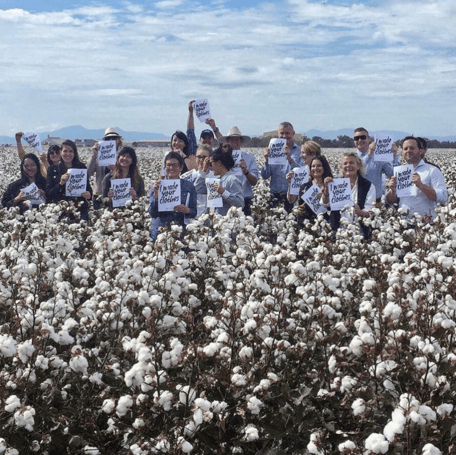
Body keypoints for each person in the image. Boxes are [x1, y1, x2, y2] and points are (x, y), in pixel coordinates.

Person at [386, 136, 448, 222]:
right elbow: (391, 201)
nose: (408, 151)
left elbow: (443, 197)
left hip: (425, 224)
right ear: (402, 152)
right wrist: (393, 191)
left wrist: (421, 185)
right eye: (405, 149)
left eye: (412, 148)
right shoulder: (400, 171)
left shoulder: (432, 170)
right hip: (403, 223)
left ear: (420, 150)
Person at [323, 151, 376, 239]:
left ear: (358, 166)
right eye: (345, 163)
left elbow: (371, 210)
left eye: (351, 163)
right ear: (341, 167)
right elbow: (325, 205)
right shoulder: (334, 184)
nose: (348, 166)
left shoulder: (368, 186)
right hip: (337, 232)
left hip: (359, 234)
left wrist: (361, 212)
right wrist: (326, 191)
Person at [149, 152, 197, 241]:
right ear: (164, 167)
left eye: (175, 165)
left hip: (180, 233)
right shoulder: (157, 186)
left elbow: (194, 211)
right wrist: (156, 197)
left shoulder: (189, 187)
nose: (171, 168)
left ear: (181, 168)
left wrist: (187, 210)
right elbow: (152, 213)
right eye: (168, 165)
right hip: (160, 233)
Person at [261, 122, 303, 212]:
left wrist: (289, 158)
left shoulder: (300, 151)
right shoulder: (272, 151)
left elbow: (302, 174)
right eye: (282, 133)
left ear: (293, 134)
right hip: (274, 196)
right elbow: (265, 176)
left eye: (287, 133)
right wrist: (266, 160)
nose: (284, 136)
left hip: (293, 197)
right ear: (278, 134)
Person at [46, 140, 92, 221]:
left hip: (79, 207)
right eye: (65, 151)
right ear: (60, 153)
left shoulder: (81, 168)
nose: (68, 154)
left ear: (74, 153)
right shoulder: (52, 170)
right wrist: (60, 184)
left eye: (71, 151)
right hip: (60, 208)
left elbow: (88, 189)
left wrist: (88, 194)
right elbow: (49, 193)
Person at [219, 126, 258, 216]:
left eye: (237, 139)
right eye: (232, 139)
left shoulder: (249, 158)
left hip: (244, 200)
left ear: (241, 141)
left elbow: (254, 181)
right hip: (225, 201)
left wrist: (246, 172)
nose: (235, 142)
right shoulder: (221, 159)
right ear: (227, 141)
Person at [194, 148, 244, 216]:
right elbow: (197, 189)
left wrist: (224, 192)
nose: (210, 167)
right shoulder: (216, 180)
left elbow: (240, 204)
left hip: (228, 221)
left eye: (211, 164)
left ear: (219, 163)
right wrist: (204, 171)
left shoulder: (232, 180)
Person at [353, 127, 397, 202]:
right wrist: (368, 155)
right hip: (355, 201)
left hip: (375, 202)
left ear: (369, 138)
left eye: (363, 137)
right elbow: (358, 170)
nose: (360, 140)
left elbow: (392, 174)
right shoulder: (350, 158)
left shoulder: (379, 156)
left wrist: (394, 156)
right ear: (354, 141)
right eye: (356, 138)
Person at [287, 155, 333, 224]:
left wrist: (325, 197)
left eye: (319, 166)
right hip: (306, 225)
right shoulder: (304, 186)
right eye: (313, 166)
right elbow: (291, 200)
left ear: (324, 167)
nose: (315, 168)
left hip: (326, 224)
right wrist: (291, 183)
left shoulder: (331, 184)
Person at [88, 127, 123, 208]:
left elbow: (127, 175)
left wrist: (115, 170)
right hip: (98, 194)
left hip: (117, 195)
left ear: (118, 140)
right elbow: (89, 173)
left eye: (114, 138)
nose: (111, 140)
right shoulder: (98, 155)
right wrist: (94, 155)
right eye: (108, 138)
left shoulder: (123, 157)